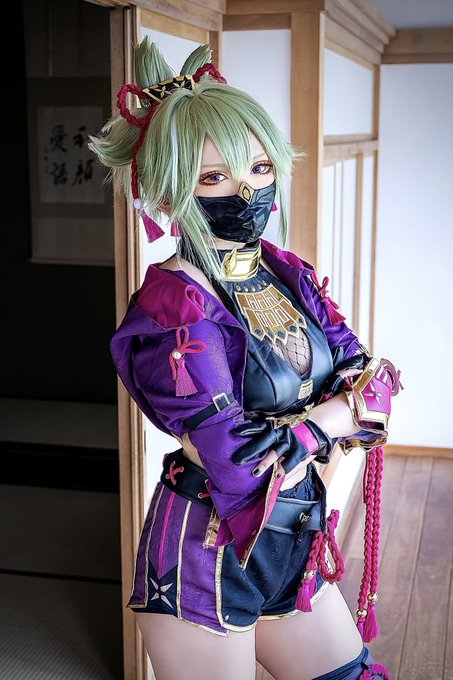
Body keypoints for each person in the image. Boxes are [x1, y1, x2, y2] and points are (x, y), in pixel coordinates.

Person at [89, 37, 403, 680]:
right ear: (170, 194)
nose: (248, 190)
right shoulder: (174, 309)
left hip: (293, 539)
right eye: (214, 177)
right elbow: (238, 463)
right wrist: (331, 418)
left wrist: (311, 429)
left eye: (259, 168)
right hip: (204, 553)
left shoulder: (286, 272)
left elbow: (376, 384)